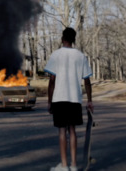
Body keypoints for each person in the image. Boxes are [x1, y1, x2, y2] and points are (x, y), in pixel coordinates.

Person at [45, 27, 93, 171]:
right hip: (74, 98)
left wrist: (49, 101)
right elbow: (87, 81)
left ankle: (64, 166)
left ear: (62, 38)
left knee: (61, 131)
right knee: (72, 130)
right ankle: (73, 165)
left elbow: (52, 81)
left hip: (59, 97)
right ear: (73, 39)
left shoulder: (56, 55)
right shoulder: (80, 56)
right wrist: (90, 100)